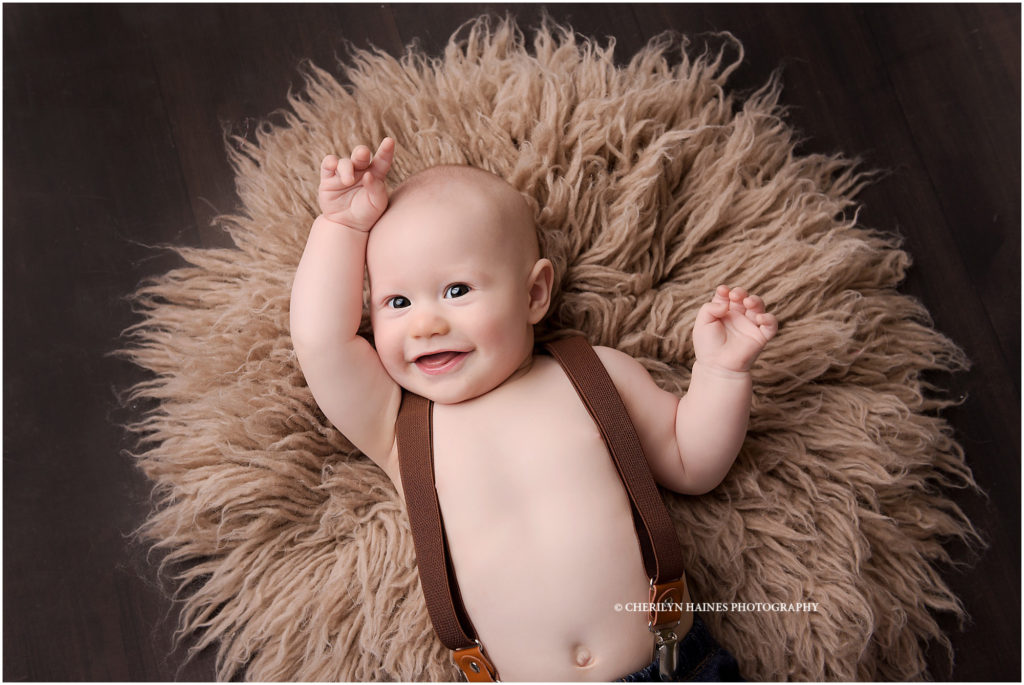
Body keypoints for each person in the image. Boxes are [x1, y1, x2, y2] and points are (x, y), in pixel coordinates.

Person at [290, 138, 777, 681]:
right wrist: (341, 227)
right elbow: (320, 342)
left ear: (534, 295)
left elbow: (692, 463)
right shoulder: (399, 429)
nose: (425, 325)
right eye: (397, 302)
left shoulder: (592, 375)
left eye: (457, 290)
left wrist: (721, 373)